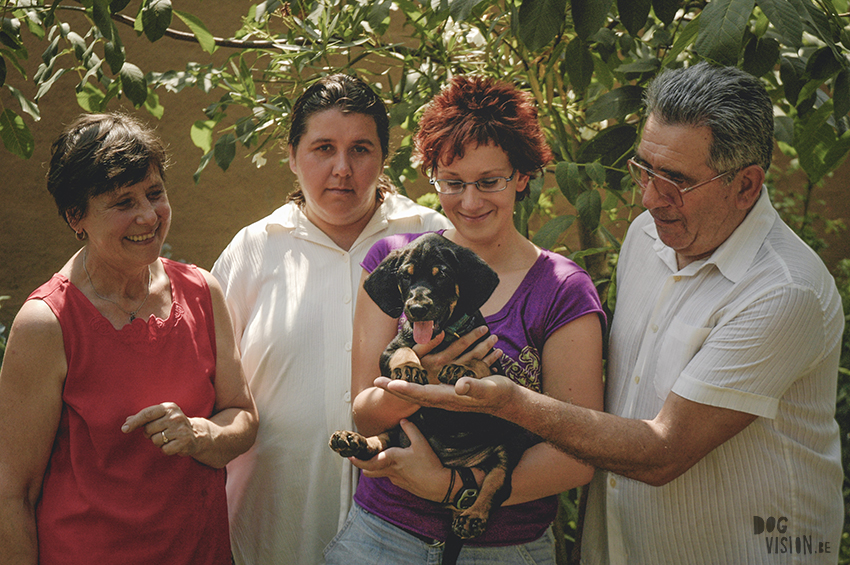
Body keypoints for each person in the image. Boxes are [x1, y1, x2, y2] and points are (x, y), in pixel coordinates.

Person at [374, 62, 845, 564]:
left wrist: (508, 402)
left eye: (676, 181)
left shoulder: (782, 292)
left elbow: (664, 451)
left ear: (747, 185)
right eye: (644, 169)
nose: (649, 195)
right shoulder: (649, 235)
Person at [324, 75, 606, 564]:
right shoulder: (395, 262)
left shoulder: (561, 289)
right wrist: (423, 378)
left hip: (505, 547)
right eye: (452, 183)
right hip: (382, 537)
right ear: (433, 176)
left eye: (489, 182)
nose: (470, 202)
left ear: (522, 176)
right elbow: (365, 412)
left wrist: (447, 485)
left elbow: (577, 455)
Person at [211, 73, 451, 565]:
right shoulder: (255, 250)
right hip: (273, 522)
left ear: (384, 156)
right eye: (323, 148)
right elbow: (209, 385)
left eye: (361, 149)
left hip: (405, 526)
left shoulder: (430, 239)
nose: (342, 168)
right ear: (293, 154)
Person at [0, 112, 259, 565]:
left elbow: (242, 418)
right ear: (75, 216)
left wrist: (199, 434)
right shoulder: (46, 324)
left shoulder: (201, 291)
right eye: (122, 202)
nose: (148, 215)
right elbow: (12, 495)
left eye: (155, 193)